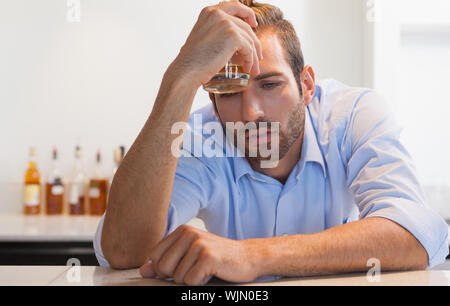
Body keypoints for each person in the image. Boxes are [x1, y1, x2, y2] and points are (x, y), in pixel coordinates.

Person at [94, 0, 449, 285]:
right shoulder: (201, 137)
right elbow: (123, 251)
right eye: (230, 92)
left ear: (306, 85)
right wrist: (181, 75)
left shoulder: (354, 115)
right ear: (213, 100)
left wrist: (252, 256)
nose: (251, 113)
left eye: (270, 85)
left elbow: (418, 233)